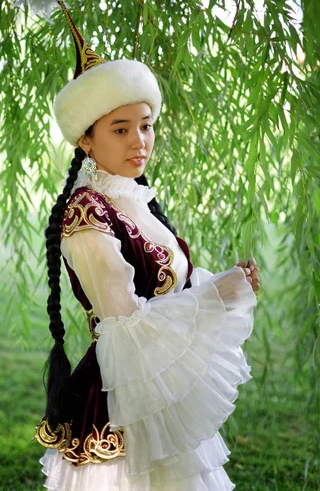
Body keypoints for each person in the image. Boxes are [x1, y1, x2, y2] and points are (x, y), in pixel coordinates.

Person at [34, 36, 260, 491]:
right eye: (120, 129)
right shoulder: (87, 213)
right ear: (87, 140)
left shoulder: (133, 196)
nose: (140, 141)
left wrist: (227, 284)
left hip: (154, 386)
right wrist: (220, 296)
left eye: (146, 125)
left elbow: (171, 287)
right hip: (121, 398)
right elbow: (126, 323)